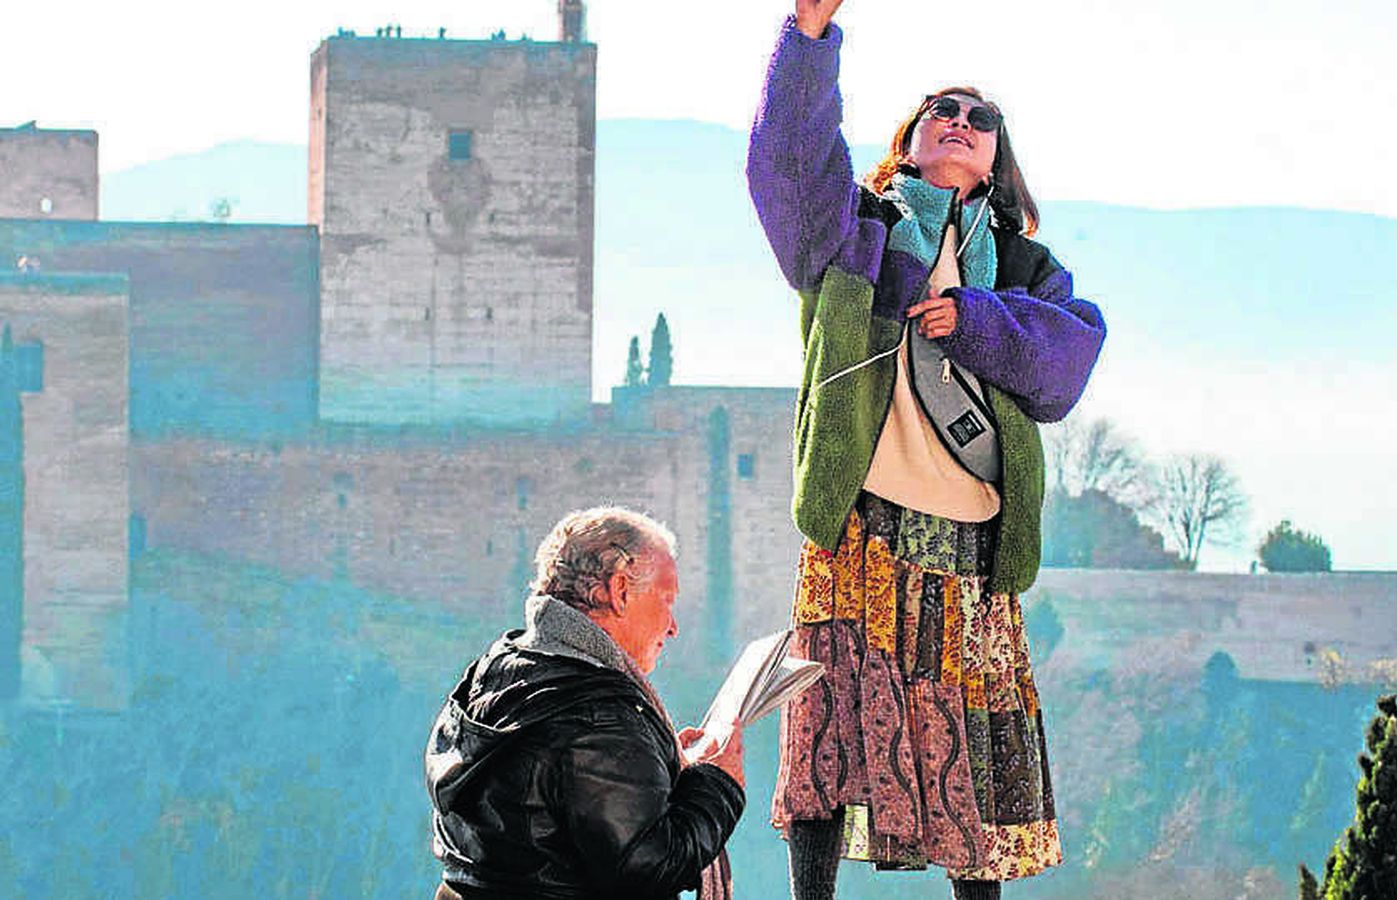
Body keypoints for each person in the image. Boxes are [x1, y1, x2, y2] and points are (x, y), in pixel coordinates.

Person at [747, 1, 1107, 898]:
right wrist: (809, 40)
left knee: (974, 752)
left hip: (974, 540)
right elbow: (786, 165)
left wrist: (975, 321)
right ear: (908, 142)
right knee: (828, 725)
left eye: (981, 118)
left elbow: (1068, 361)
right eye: (941, 110)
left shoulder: (1025, 269)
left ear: (998, 160)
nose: (960, 121)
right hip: (859, 519)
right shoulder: (853, 232)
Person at [425, 507, 746, 900]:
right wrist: (719, 784)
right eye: (667, 600)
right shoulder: (599, 717)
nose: (673, 626)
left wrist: (659, 768)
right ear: (620, 590)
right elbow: (650, 869)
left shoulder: (492, 672)